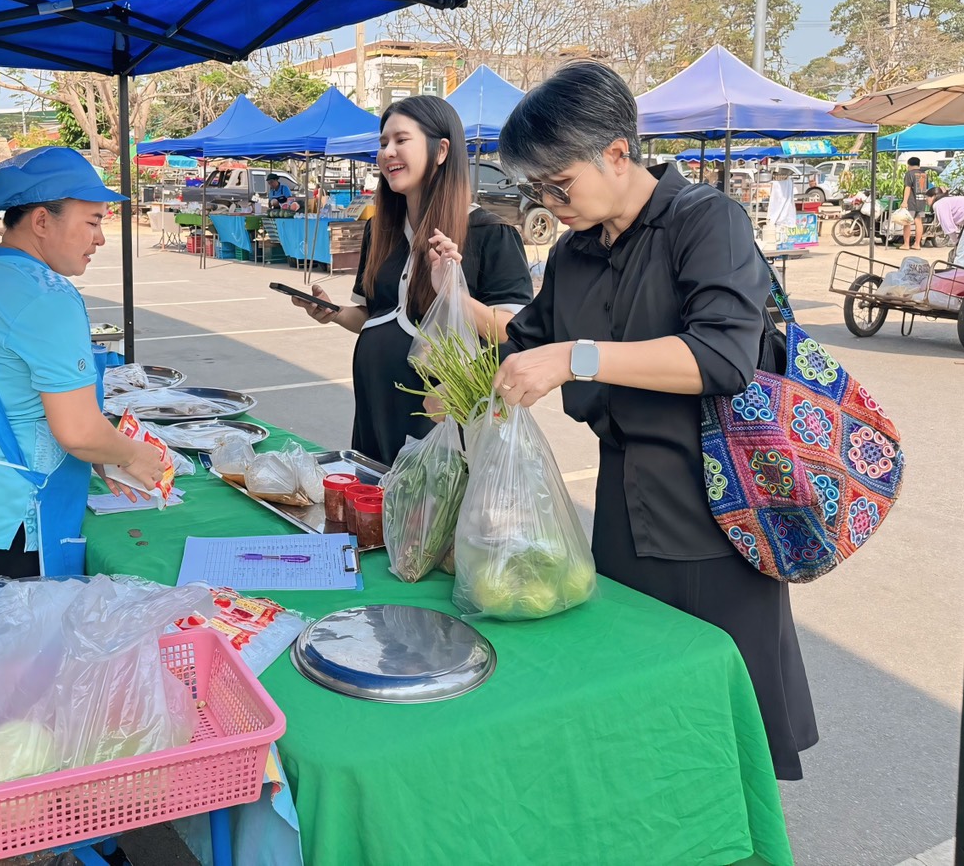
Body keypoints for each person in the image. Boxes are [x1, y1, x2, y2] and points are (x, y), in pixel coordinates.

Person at [488, 60, 816, 781]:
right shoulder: (574, 251)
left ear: (616, 152)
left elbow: (721, 356)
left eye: (559, 184)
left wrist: (576, 358)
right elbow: (525, 339)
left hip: (716, 508)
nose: (549, 203)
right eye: (536, 189)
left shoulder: (705, 221)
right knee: (634, 708)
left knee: (716, 725)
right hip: (621, 506)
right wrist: (462, 371)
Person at [0, 148, 168, 604]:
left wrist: (102, 453)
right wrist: (133, 454)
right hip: (6, 524)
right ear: (42, 222)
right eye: (92, 222)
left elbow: (12, 397)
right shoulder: (46, 295)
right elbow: (78, 432)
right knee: (18, 646)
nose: (100, 239)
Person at [290, 94, 533, 466]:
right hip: (374, 409)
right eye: (383, 143)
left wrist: (453, 295)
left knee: (426, 500)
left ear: (441, 150)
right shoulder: (379, 230)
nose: (387, 152)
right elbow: (374, 314)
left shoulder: (489, 233)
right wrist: (334, 312)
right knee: (374, 496)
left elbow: (514, 333)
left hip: (439, 419)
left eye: (401, 140)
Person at [901, 156, 929, 250]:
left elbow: (907, 188)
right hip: (921, 201)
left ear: (909, 165)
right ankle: (917, 244)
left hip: (911, 202)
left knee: (907, 222)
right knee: (919, 222)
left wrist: (904, 202)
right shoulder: (924, 174)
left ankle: (906, 244)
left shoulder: (909, 174)